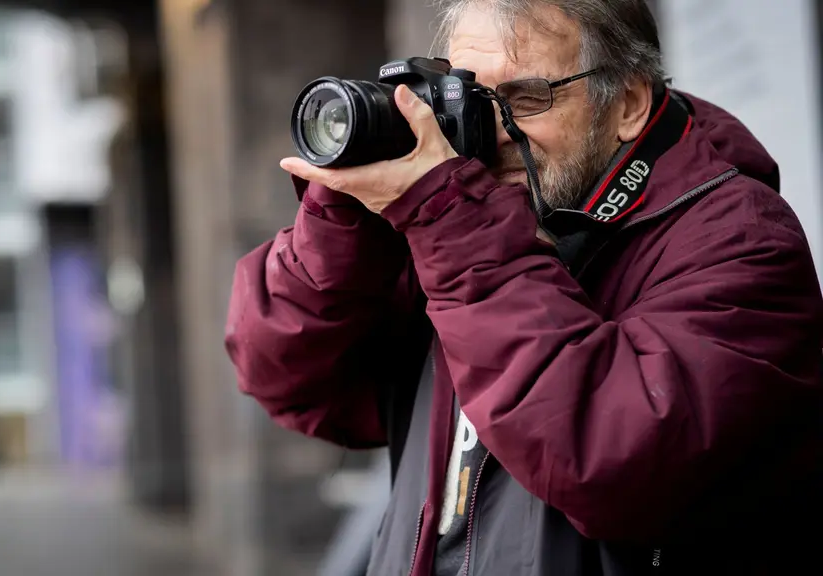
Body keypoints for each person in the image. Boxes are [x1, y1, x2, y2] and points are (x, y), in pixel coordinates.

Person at [225, 0, 823, 574]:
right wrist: (343, 222)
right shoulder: (451, 225)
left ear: (630, 103)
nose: (492, 133)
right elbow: (289, 379)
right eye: (472, 100)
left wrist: (450, 221)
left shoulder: (743, 239)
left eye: (526, 99)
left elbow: (615, 461)